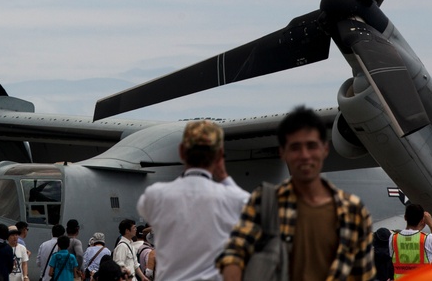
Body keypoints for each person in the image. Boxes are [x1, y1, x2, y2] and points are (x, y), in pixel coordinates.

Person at [217, 105, 375, 281]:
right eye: (295, 147)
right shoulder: (265, 203)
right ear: (282, 152)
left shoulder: (353, 212)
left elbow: (363, 274)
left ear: (325, 149)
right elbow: (233, 255)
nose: (305, 155)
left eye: (311, 146)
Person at [138, 120, 250, 281]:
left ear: (182, 152)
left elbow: (145, 208)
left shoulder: (155, 195)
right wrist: (224, 177)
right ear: (219, 156)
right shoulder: (233, 199)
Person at [389, 204, 432, 278]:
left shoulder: (393, 238)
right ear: (422, 220)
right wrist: (431, 225)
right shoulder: (428, 239)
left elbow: (393, 256)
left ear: (405, 218)